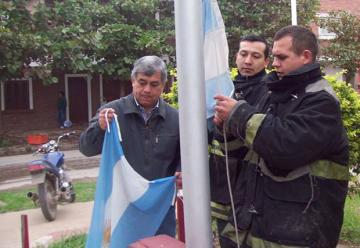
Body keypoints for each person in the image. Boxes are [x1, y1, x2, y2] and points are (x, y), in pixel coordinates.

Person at [214, 25, 349, 248]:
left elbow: (285, 146)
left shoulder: (321, 101)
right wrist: (226, 128)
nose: (274, 63)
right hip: (254, 226)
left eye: (281, 57)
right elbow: (249, 150)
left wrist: (239, 114)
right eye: (274, 56)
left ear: (306, 56)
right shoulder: (275, 93)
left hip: (296, 235)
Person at [79, 55, 181, 237]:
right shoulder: (111, 113)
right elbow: (86, 148)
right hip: (123, 207)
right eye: (142, 82)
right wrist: (100, 128)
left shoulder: (176, 118)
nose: (147, 89)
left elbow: (184, 156)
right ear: (132, 81)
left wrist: (182, 170)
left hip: (160, 209)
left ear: (163, 86)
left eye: (154, 84)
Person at [208, 35, 269, 247]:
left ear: (266, 62)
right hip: (222, 183)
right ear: (236, 56)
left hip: (252, 187)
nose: (248, 61)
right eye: (243, 54)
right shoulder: (225, 86)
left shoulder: (270, 92)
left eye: (255, 56)